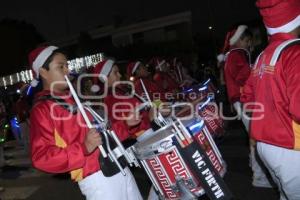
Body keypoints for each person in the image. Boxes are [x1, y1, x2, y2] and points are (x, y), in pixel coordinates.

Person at [29, 46, 142, 200]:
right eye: (60, 67)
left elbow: (102, 133)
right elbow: (41, 157)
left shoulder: (75, 99)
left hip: (119, 164)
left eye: (67, 66)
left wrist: (126, 124)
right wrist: (84, 147)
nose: (67, 71)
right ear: (43, 72)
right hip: (97, 178)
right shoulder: (42, 109)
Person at [241, 0, 300, 199]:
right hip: (290, 146)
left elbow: (247, 97)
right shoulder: (295, 52)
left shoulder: (262, 56)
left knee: (286, 194)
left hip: (265, 146)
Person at [220, 25, 273, 188]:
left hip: (239, 99)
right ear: (240, 40)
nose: (250, 44)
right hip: (244, 99)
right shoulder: (238, 54)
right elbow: (244, 76)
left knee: (253, 134)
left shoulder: (232, 55)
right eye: (248, 40)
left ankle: (257, 171)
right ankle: (259, 177)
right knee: (256, 136)